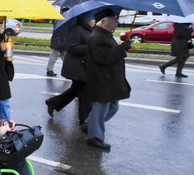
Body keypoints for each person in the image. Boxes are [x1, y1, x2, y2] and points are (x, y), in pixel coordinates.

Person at [85, 8, 132, 151]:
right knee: (102, 108)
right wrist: (121, 49)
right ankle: (95, 137)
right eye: (114, 20)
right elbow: (103, 57)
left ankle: (90, 125)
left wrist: (122, 49)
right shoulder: (97, 37)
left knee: (112, 107)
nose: (117, 23)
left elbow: (109, 53)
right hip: (102, 80)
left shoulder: (104, 34)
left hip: (108, 79)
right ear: (104, 21)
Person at [45, 14, 95, 128]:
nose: (94, 21)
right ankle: (85, 122)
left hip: (82, 66)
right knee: (84, 94)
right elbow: (72, 47)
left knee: (75, 90)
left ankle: (53, 103)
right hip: (76, 67)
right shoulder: (76, 30)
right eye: (92, 19)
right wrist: (90, 48)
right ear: (86, 19)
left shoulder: (88, 29)